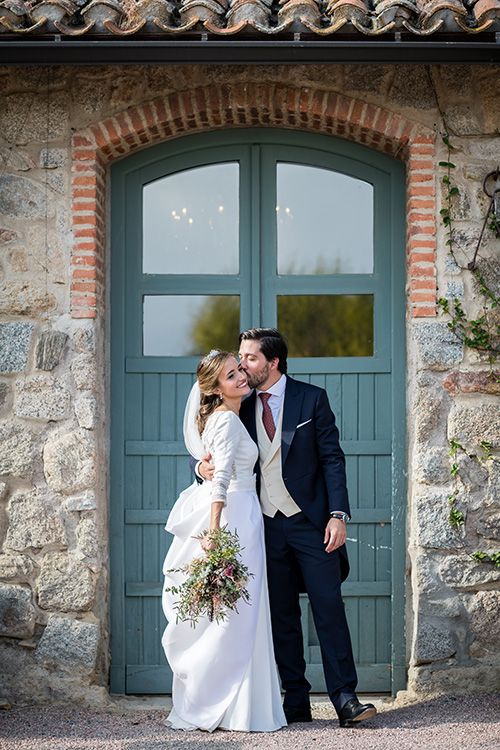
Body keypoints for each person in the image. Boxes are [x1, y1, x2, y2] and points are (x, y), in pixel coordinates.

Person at [197, 329, 376, 728]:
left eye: (250, 358)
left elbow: (333, 459)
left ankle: (345, 698)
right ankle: (296, 700)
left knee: (329, 608)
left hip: (312, 523)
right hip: (263, 526)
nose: (242, 366)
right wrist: (199, 468)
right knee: (281, 615)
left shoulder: (311, 398)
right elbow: (213, 451)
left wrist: (338, 514)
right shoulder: (236, 404)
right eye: (240, 359)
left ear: (273, 362)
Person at [161, 349, 287, 733]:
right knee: (236, 614)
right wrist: (215, 530)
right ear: (215, 389)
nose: (241, 378)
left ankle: (239, 704)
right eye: (231, 376)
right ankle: (224, 702)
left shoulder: (232, 415)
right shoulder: (226, 421)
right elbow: (219, 480)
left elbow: (215, 462)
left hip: (245, 512)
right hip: (234, 515)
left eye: (239, 371)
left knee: (239, 613)